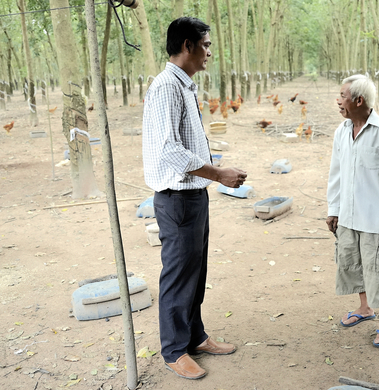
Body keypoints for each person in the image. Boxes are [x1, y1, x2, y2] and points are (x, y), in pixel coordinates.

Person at [142, 17, 247, 380]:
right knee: (178, 274)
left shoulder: (184, 86)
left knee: (195, 272)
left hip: (193, 196)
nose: (209, 53)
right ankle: (173, 350)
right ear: (186, 46)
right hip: (176, 199)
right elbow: (170, 150)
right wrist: (218, 174)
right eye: (205, 45)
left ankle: (195, 336)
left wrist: (214, 170)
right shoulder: (166, 88)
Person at [326, 74, 379, 348]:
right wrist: (333, 208)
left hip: (374, 219)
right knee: (352, 262)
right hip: (347, 215)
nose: (338, 101)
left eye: (342, 96)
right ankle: (364, 308)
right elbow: (336, 173)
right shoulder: (341, 131)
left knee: (378, 268)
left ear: (359, 100)